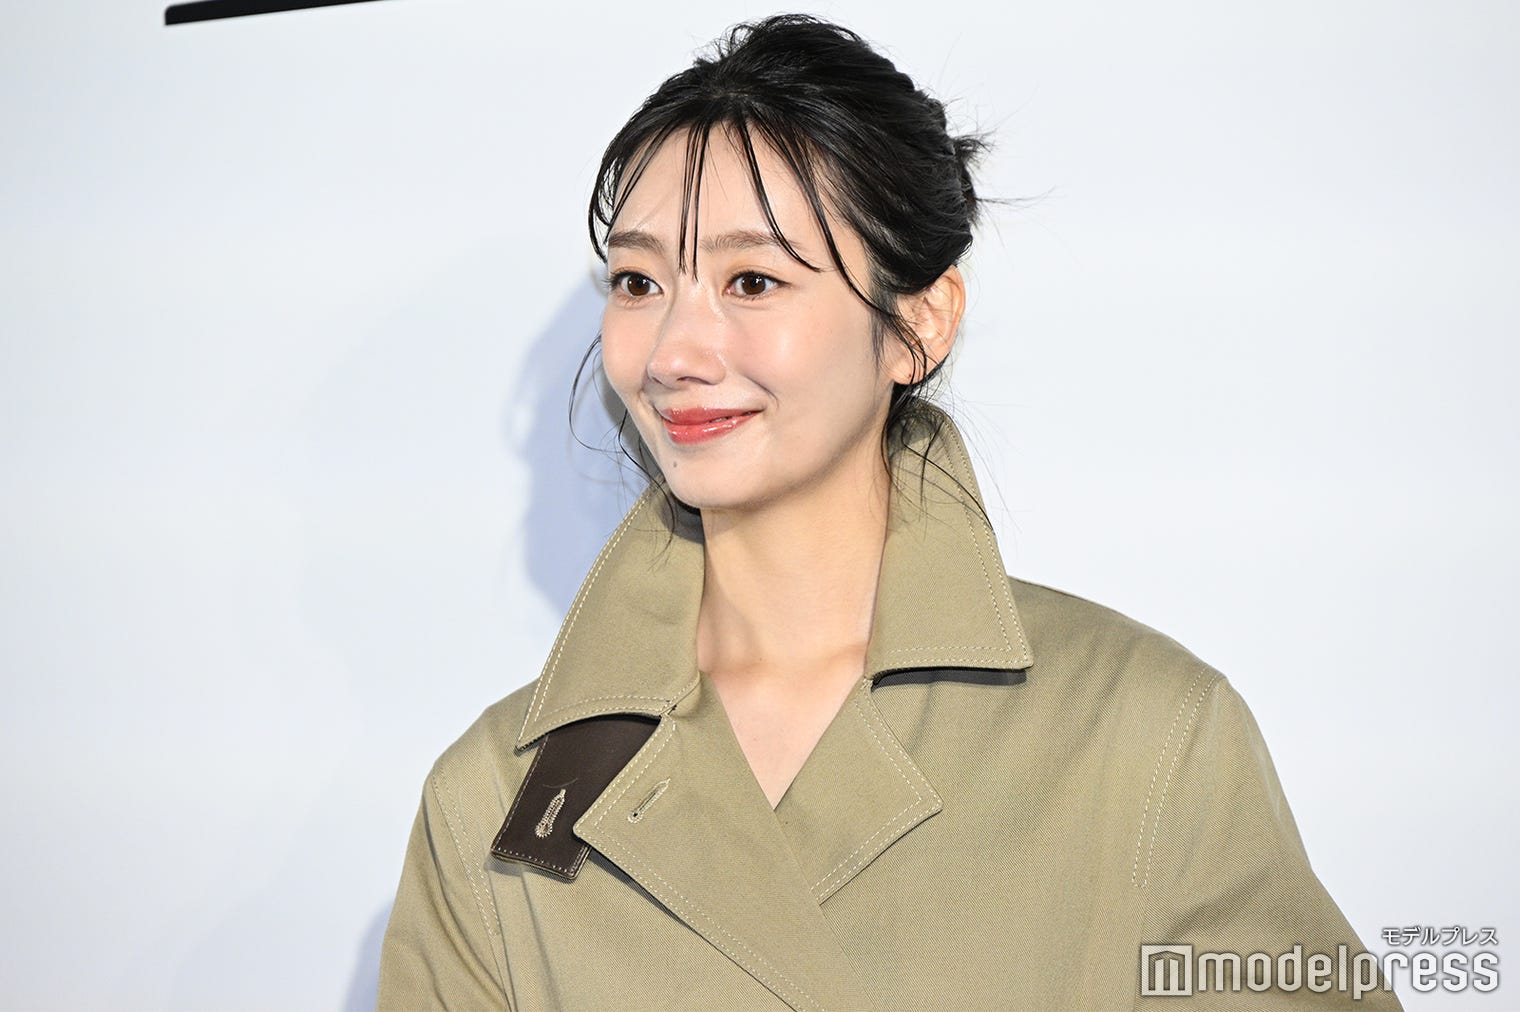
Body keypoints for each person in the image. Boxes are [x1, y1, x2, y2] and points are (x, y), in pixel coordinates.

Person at [378, 14, 1400, 1009]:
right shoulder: (490, 801)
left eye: (751, 280)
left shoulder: (1143, 736)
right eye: (639, 281)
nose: (676, 352)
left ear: (919, 322)